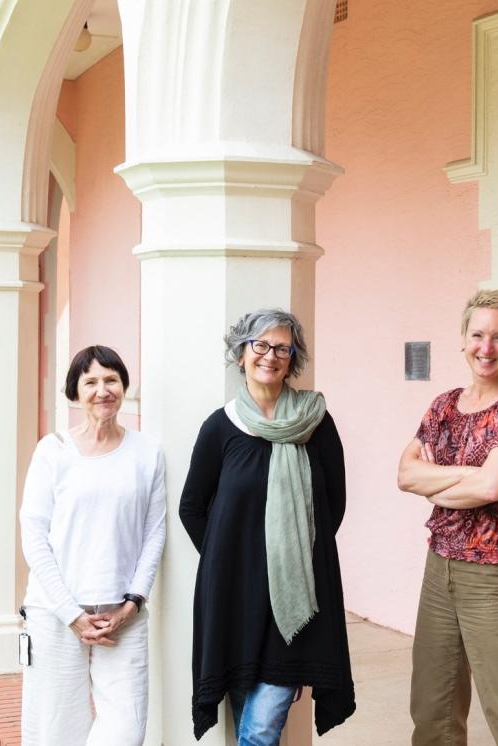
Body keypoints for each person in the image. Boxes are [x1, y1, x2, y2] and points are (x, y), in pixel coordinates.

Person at [179, 308, 355, 744]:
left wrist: (289, 560)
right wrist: (231, 560)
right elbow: (192, 507)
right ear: (241, 354)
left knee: (260, 728)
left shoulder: (315, 422)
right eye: (260, 345)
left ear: (291, 358)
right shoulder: (220, 428)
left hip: (294, 596)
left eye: (282, 347)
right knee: (247, 717)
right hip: (234, 598)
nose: (270, 356)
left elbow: (333, 505)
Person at [398, 290, 498, 746]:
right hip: (439, 567)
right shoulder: (444, 405)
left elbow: (492, 490)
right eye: (477, 335)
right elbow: (405, 475)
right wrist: (471, 474)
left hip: (492, 576)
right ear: (463, 339)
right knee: (433, 709)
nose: (485, 347)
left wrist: (441, 477)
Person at [19, 345, 166, 746]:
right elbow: (33, 534)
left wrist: (133, 602)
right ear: (75, 393)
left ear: (124, 387)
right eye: (91, 382)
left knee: (126, 731)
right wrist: (70, 612)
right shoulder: (53, 451)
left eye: (111, 380)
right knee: (57, 731)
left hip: (124, 615)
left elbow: (155, 533)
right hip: (55, 615)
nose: (103, 390)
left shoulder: (147, 452)